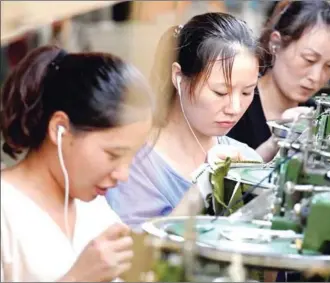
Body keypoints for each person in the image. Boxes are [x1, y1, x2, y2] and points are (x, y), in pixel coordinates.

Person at [0, 45, 153, 282]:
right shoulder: (6, 209)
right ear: (60, 128)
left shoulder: (92, 206)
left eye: (131, 157)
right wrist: (77, 279)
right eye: (113, 154)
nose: (124, 174)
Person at [106, 12, 262, 230]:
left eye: (247, 93)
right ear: (178, 77)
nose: (235, 108)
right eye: (220, 92)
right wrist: (205, 184)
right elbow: (140, 251)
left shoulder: (245, 157)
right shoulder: (133, 166)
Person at [228, 0, 330, 162]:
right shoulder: (234, 108)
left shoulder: (316, 115)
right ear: (276, 44)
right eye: (309, 60)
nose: (316, 77)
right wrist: (277, 141)